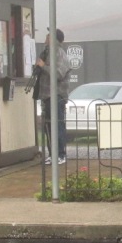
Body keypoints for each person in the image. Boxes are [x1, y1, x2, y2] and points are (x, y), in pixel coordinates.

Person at [35, 28, 71, 165]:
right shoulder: (48, 53)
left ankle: (61, 155)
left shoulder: (59, 53)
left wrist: (43, 66)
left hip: (56, 96)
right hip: (47, 96)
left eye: (49, 36)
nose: (46, 37)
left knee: (57, 125)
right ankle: (52, 154)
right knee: (48, 127)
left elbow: (58, 74)